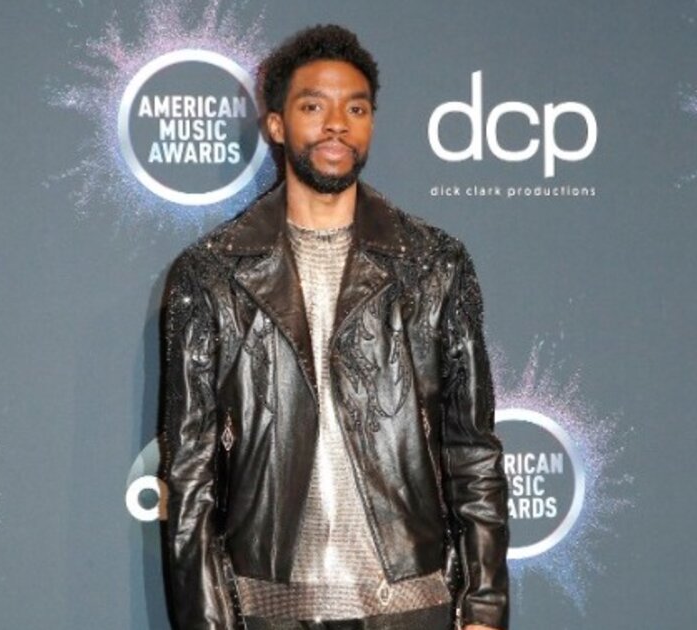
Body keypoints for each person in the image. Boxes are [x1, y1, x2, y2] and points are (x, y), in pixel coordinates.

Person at [159, 24, 508, 630]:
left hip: (411, 606)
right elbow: (190, 473)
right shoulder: (210, 274)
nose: (337, 125)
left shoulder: (435, 265)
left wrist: (483, 605)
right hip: (269, 609)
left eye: (356, 109)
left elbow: (472, 450)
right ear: (276, 125)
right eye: (314, 106)